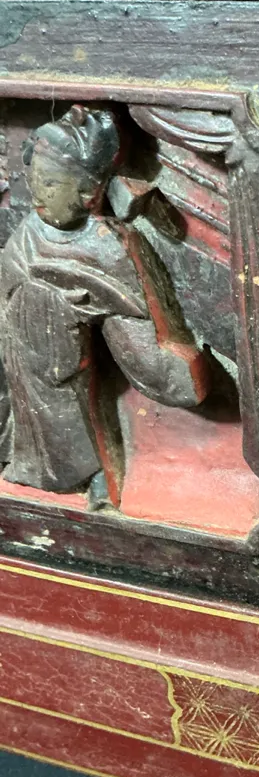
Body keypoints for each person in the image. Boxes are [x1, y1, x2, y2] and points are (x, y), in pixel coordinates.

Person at [0, 103, 209, 501]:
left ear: (88, 193)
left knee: (67, 411)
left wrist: (179, 375)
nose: (38, 192)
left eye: (50, 183)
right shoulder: (28, 234)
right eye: (34, 178)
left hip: (61, 371)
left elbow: (136, 337)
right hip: (18, 362)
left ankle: (91, 474)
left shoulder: (106, 248)